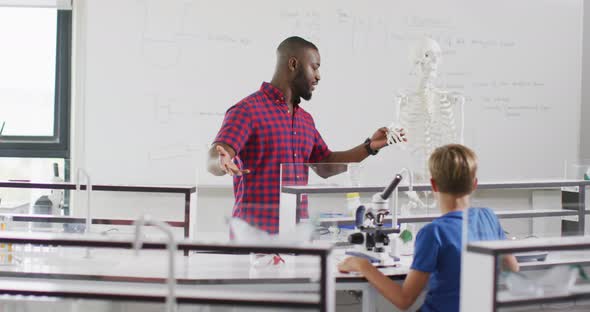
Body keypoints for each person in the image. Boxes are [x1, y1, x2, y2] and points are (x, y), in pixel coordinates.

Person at [207, 36, 406, 234]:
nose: (318, 76)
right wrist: (221, 160)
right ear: (293, 64)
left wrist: (370, 146)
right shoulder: (248, 110)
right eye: (315, 67)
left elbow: (325, 165)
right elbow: (216, 156)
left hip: (296, 238)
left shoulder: (305, 120)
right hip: (254, 240)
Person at [338, 144, 519, 312]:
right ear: (474, 183)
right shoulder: (488, 217)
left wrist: (363, 266)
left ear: (433, 185)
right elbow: (512, 268)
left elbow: (404, 300)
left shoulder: (433, 233)